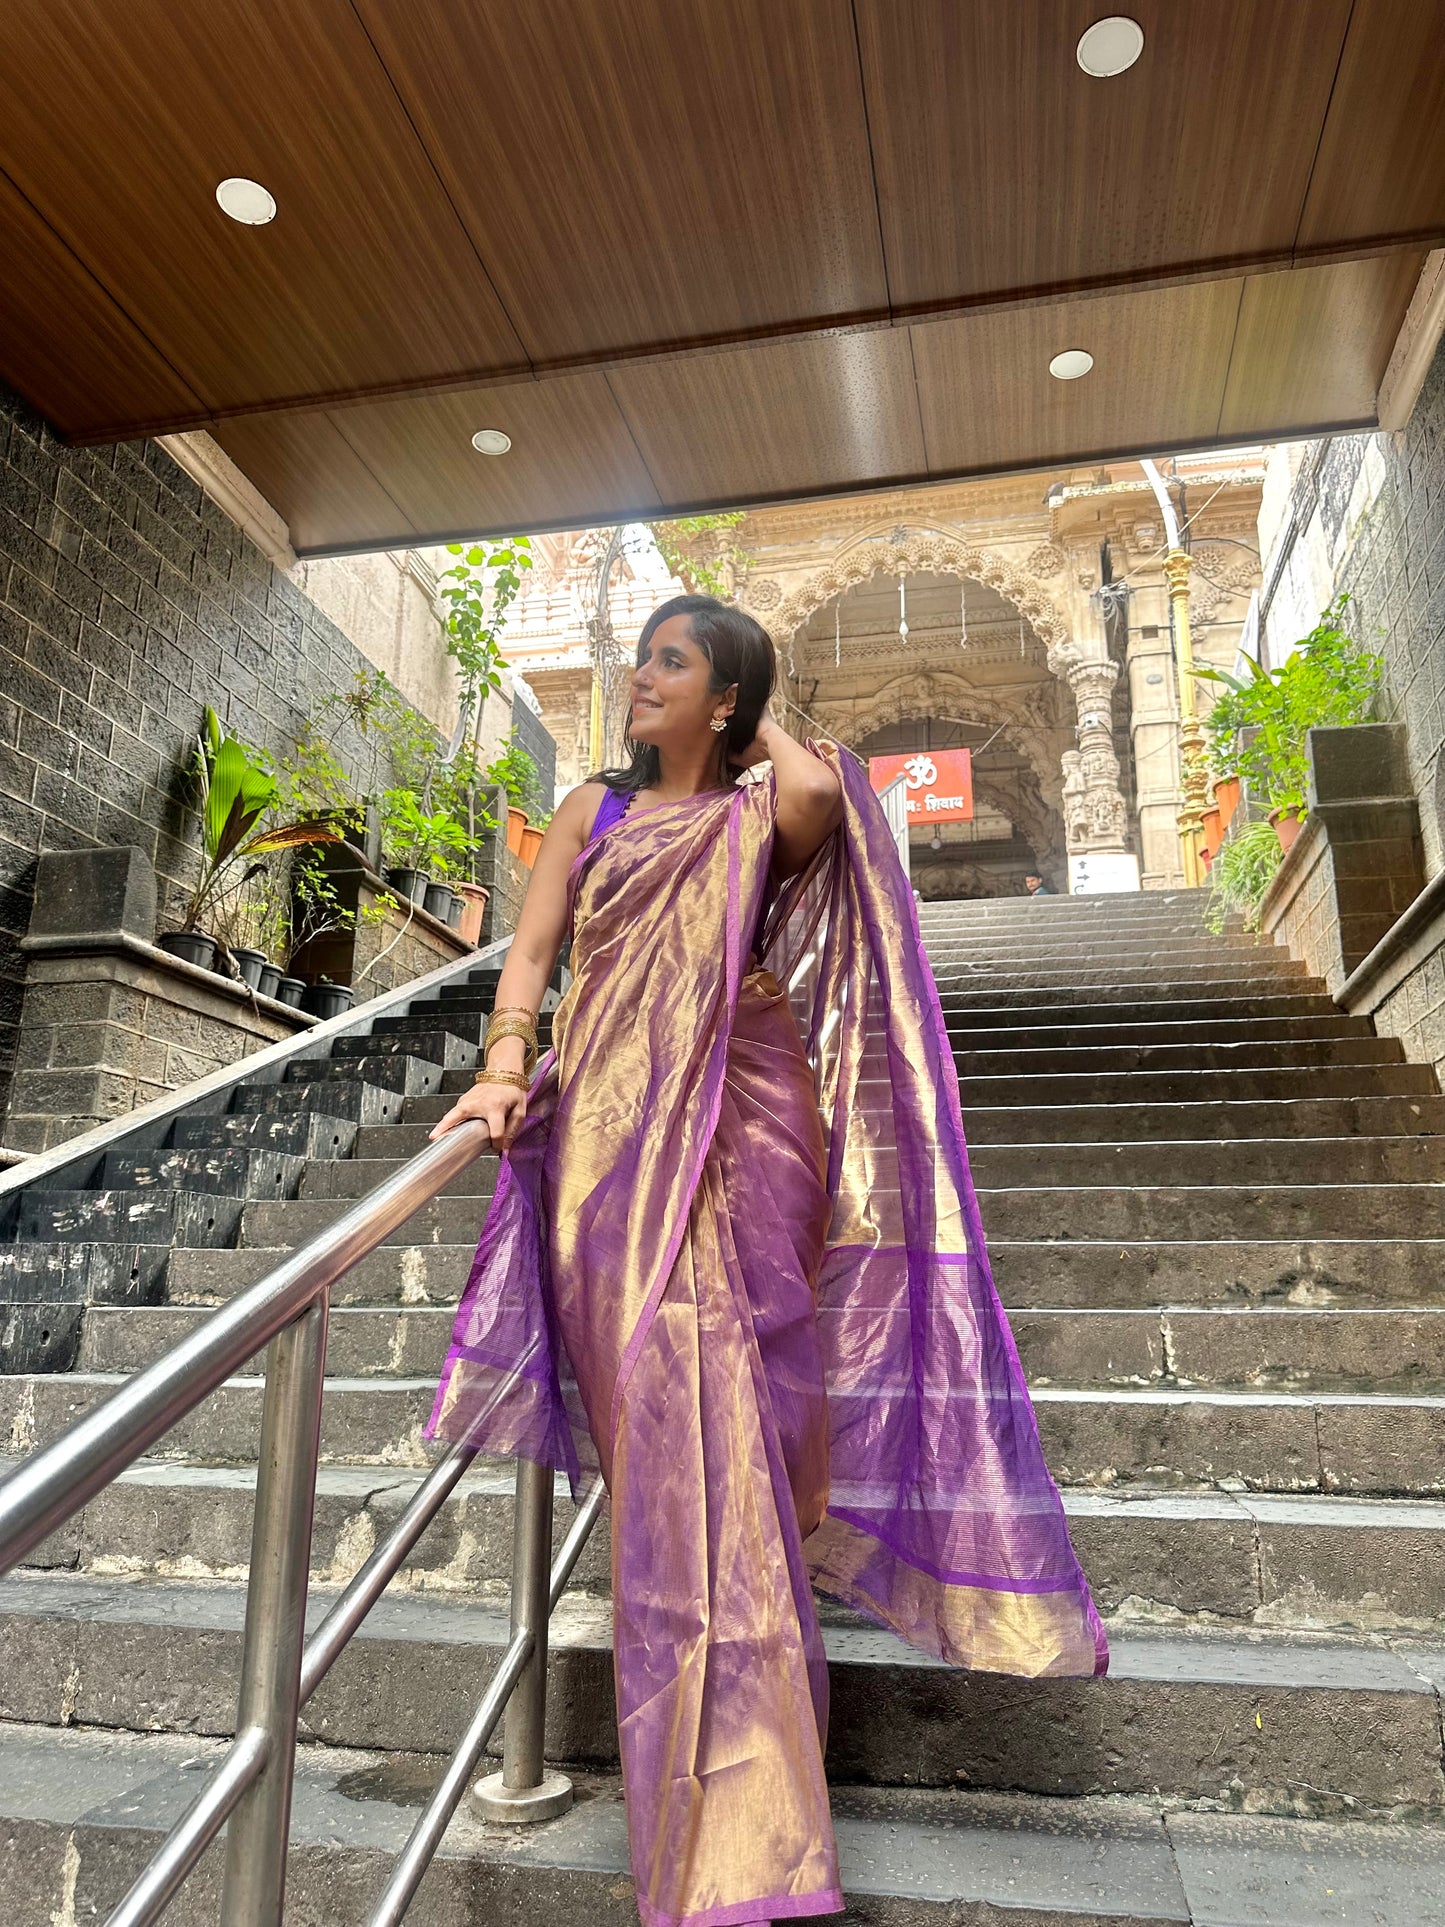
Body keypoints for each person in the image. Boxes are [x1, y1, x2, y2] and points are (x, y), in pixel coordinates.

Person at [427, 594, 1105, 1927]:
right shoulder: (590, 812)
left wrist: (751, 707)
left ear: (726, 695)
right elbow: (531, 957)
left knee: (735, 1444)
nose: (640, 677)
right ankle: (722, 1796)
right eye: (642, 657)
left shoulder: (761, 810)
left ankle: (741, 1828)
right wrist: (505, 1066)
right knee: (668, 1450)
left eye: (672, 662)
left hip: (748, 1125)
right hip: (606, 1149)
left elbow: (814, 792)